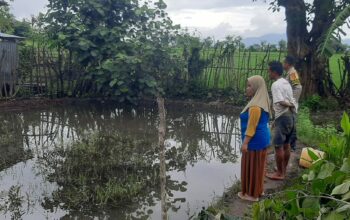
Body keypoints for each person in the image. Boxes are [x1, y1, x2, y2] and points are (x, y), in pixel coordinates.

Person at [238, 75, 272, 202]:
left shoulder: (255, 107)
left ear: (257, 88)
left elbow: (251, 128)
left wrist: (245, 143)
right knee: (258, 166)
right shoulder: (262, 102)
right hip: (262, 139)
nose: (247, 89)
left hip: (254, 140)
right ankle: (257, 190)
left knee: (252, 166)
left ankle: (252, 195)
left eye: (249, 86)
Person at [266, 61, 296, 181]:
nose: (268, 73)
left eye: (269, 71)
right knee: (286, 144)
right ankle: (283, 169)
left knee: (278, 146)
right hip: (290, 116)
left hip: (283, 116)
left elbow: (280, 101)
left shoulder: (276, 85)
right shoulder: (286, 82)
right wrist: (292, 106)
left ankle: (279, 173)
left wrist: (289, 105)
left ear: (274, 72)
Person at [283, 56, 302, 151]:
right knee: (290, 124)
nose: (283, 64)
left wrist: (292, 102)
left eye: (284, 62)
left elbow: (298, 87)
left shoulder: (292, 73)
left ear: (288, 63)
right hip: (289, 103)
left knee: (292, 124)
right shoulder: (290, 73)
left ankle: (292, 146)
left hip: (291, 104)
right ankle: (290, 145)